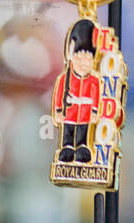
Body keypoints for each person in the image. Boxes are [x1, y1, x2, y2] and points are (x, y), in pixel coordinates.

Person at [52, 19, 100, 165]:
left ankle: (81, 149)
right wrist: (58, 112)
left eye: (88, 58)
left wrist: (94, 111)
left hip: (85, 116)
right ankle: (66, 149)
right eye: (79, 57)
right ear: (71, 56)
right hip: (69, 116)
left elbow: (96, 96)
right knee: (68, 134)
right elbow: (59, 95)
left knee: (82, 134)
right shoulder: (64, 78)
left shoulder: (94, 80)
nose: (83, 63)